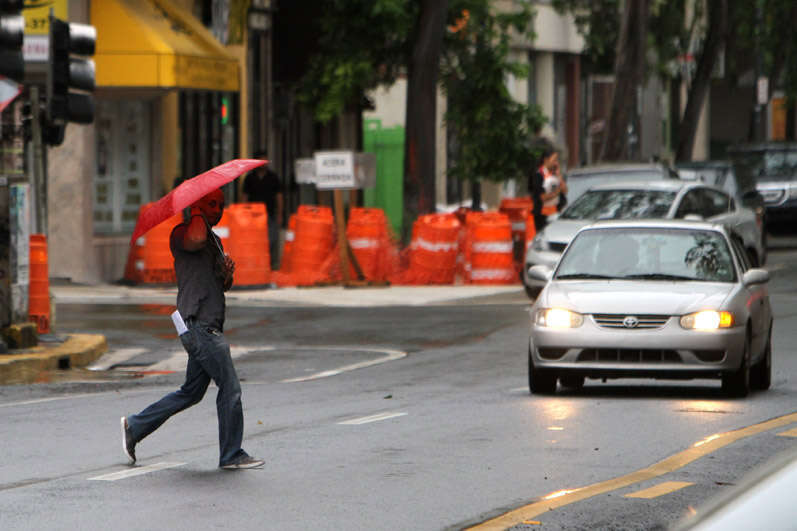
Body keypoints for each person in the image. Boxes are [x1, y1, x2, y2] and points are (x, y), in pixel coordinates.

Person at [121, 188, 265, 470]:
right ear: (196, 206)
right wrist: (197, 212)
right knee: (231, 387)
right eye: (211, 204)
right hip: (199, 326)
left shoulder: (215, 240)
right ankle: (231, 454)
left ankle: (135, 427)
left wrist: (227, 274)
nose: (218, 210)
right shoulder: (181, 233)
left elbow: (221, 284)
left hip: (209, 324)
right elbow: (195, 239)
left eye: (221, 205)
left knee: (191, 392)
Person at [242, 151, 284, 270]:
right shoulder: (250, 178)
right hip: (253, 216)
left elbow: (279, 196)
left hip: (269, 213)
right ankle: (257, 264)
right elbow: (244, 196)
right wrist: (243, 212)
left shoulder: (273, 177)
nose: (263, 164)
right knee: (254, 241)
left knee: (271, 239)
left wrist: (280, 213)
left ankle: (270, 264)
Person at [528, 143, 562, 232]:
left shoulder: (553, 174)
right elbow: (542, 197)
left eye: (556, 160)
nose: (556, 163)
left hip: (554, 214)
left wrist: (559, 175)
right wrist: (557, 192)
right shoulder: (539, 175)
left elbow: (564, 189)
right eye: (554, 160)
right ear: (546, 160)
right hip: (542, 216)